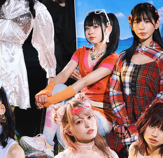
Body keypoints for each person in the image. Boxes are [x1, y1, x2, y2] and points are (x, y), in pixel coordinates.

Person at [29, 10, 120, 148]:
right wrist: (47, 91)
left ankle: (67, 152)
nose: (90, 31)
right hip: (80, 105)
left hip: (100, 115)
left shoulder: (113, 58)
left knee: (67, 116)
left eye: (95, 27)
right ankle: (46, 142)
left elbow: (84, 82)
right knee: (58, 87)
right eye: (87, 28)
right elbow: (63, 74)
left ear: (108, 29)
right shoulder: (81, 51)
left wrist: (51, 101)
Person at [107, 3, 163, 158]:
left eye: (147, 21)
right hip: (124, 127)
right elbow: (115, 92)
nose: (141, 26)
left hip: (153, 126)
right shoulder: (123, 57)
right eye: (137, 21)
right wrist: (123, 123)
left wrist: (139, 126)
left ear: (156, 24)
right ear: (130, 23)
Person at [38, 0, 77, 75]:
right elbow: (47, 43)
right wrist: (66, 69)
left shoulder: (76, 4)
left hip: (81, 62)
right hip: (58, 67)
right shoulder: (44, 8)